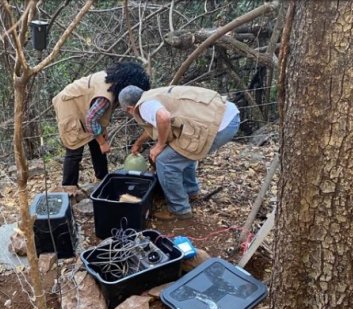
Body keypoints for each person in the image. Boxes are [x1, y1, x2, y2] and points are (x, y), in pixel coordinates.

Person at [118, 85, 240, 220]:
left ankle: (179, 209)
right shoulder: (152, 95)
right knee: (182, 151)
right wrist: (138, 143)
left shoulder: (144, 106)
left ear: (129, 108)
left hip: (220, 125)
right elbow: (156, 123)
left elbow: (163, 117)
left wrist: (159, 145)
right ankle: (191, 191)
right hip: (226, 113)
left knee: (165, 161)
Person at [53, 61, 151, 187]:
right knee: (75, 150)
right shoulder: (106, 95)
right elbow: (91, 120)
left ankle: (103, 179)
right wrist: (103, 143)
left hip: (87, 109)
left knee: (97, 143)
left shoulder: (115, 84)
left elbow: (98, 115)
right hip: (69, 106)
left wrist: (102, 134)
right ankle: (69, 189)